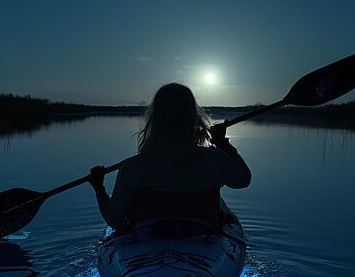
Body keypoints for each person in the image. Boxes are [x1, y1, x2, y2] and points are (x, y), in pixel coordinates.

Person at [88, 82, 251, 231]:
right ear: (193, 117)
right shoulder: (215, 159)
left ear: (154, 119)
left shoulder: (133, 168)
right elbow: (243, 180)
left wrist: (99, 189)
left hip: (149, 242)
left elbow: (115, 220)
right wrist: (223, 144)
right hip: (202, 238)